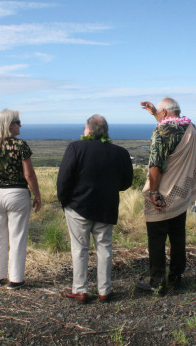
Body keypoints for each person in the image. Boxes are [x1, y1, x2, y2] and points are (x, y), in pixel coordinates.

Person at [57, 115, 133, 303]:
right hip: (106, 207)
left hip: (77, 207)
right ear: (105, 132)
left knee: (80, 249)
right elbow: (126, 182)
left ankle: (80, 290)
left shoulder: (75, 148)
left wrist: (64, 201)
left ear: (88, 131)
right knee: (105, 247)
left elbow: (64, 179)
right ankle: (104, 290)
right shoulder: (120, 153)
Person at [135, 98, 196, 295]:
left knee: (156, 239)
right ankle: (176, 277)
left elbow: (155, 165)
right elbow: (173, 126)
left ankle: (157, 282)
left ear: (164, 113)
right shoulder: (190, 127)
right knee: (178, 236)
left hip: (163, 193)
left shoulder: (160, 133)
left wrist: (154, 192)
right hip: (181, 193)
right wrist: (156, 112)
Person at [0, 109, 41, 290]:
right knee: (17, 237)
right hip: (16, 194)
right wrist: (37, 195)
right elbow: (28, 174)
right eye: (18, 122)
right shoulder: (20, 145)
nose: (20, 125)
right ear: (10, 125)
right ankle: (15, 279)